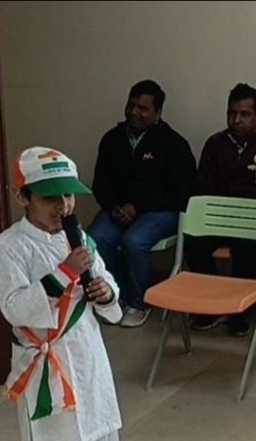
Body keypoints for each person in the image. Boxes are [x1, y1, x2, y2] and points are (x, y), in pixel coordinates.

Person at [0, 147, 130, 441]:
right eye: (50, 197)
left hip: (86, 348)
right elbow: (14, 307)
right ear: (23, 197)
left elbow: (105, 281)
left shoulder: (80, 238)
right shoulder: (9, 248)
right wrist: (64, 272)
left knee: (100, 429)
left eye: (68, 196)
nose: (63, 206)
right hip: (46, 355)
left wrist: (106, 293)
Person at [89, 79, 197, 328]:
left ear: (158, 113)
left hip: (160, 211)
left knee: (134, 241)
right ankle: (116, 297)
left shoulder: (174, 144)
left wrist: (138, 207)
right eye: (131, 105)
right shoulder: (112, 139)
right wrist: (114, 205)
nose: (134, 112)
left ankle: (139, 303)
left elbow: (181, 193)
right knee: (96, 237)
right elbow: (100, 183)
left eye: (143, 108)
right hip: (118, 210)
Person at [186, 83, 256, 337]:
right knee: (193, 243)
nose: (236, 120)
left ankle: (239, 311)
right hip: (218, 221)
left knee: (247, 248)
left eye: (244, 114)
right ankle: (213, 303)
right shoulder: (215, 144)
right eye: (232, 113)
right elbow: (202, 189)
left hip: (253, 225)